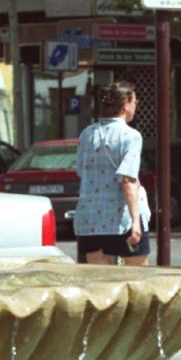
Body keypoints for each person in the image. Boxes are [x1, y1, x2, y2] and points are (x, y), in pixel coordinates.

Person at [74, 81, 149, 265]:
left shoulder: (87, 134)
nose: (135, 107)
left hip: (89, 220)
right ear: (125, 105)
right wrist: (136, 222)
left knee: (101, 284)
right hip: (121, 219)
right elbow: (127, 180)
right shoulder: (131, 136)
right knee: (140, 280)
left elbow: (80, 171)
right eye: (135, 103)